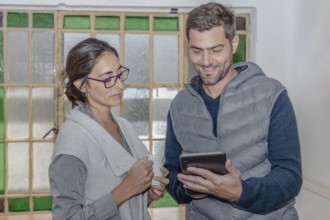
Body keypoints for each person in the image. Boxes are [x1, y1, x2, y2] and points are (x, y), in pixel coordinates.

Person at [164, 2, 302, 220]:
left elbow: (290, 176)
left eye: (216, 49)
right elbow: (171, 171)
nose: (206, 61)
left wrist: (242, 192)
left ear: (234, 42)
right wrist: (188, 189)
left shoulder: (272, 94)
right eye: (197, 50)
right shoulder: (179, 106)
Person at [49, 38, 169, 220]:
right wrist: (127, 188)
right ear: (81, 85)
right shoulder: (72, 143)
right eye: (107, 79)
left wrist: (148, 194)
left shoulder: (124, 127)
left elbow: (125, 209)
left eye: (119, 75)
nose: (120, 85)